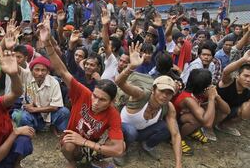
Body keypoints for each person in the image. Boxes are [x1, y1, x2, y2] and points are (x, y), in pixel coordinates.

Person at [38, 17, 125, 168]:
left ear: (111, 102)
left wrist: (85, 142)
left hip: (90, 143)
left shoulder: (113, 114)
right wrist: (47, 43)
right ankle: (73, 161)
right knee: (69, 145)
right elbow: (62, 71)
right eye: (95, 96)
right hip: (72, 138)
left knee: (120, 144)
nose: (96, 102)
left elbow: (118, 150)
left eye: (102, 100)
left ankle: (92, 159)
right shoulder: (83, 93)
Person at [113, 42, 182, 167]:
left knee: (166, 128)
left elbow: (176, 135)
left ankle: (147, 145)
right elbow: (120, 82)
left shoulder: (168, 106)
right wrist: (131, 67)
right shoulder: (141, 94)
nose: (165, 96)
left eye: (169, 93)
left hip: (141, 131)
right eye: (162, 91)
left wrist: (178, 165)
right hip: (122, 127)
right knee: (131, 131)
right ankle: (121, 150)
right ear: (154, 89)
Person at [172, 69, 230, 154]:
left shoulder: (201, 93)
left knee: (211, 106)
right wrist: (211, 98)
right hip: (175, 121)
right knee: (197, 120)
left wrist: (216, 96)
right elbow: (207, 124)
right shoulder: (188, 99)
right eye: (209, 83)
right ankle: (177, 139)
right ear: (203, 87)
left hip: (186, 116)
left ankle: (192, 131)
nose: (211, 85)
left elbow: (227, 110)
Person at [12, 56, 70, 133]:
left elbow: (55, 107)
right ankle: (33, 130)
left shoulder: (54, 82)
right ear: (31, 70)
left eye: (43, 70)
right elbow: (16, 69)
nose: (40, 73)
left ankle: (60, 130)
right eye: (37, 70)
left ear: (48, 72)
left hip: (49, 114)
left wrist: (35, 109)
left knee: (64, 112)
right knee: (18, 115)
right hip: (32, 114)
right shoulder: (27, 75)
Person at [216, 50, 250, 136]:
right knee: (222, 108)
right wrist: (244, 59)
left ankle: (223, 126)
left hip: (228, 113)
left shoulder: (248, 92)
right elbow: (226, 71)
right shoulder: (228, 82)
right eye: (246, 76)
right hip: (214, 110)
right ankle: (207, 127)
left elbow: (245, 116)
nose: (248, 80)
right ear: (238, 75)